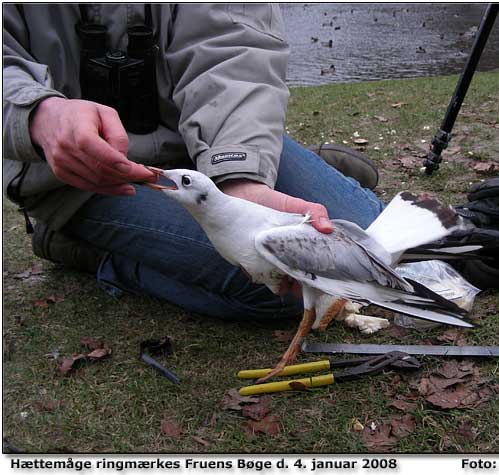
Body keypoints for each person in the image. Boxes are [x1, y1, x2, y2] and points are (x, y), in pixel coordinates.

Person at [3, 4, 383, 320]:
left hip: (204, 140)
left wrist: (241, 173)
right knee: (284, 292)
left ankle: (265, 168)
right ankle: (88, 251)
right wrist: (35, 114)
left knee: (374, 248)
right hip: (75, 177)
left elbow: (234, 46)